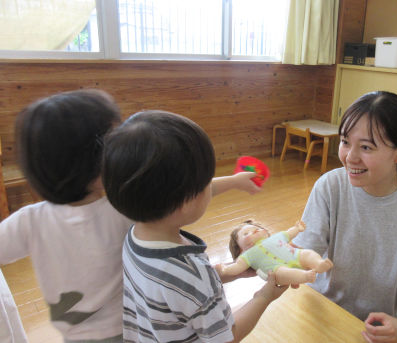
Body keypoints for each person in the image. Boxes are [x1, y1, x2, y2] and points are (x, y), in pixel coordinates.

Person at [0, 90, 260, 343]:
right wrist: (234, 182)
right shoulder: (118, 206)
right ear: (101, 161)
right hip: (133, 326)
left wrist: (234, 181)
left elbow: (184, 193)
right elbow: (182, 195)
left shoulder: (28, 219)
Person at [102, 110, 288, 343]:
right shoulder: (192, 274)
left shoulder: (135, 237)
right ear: (185, 201)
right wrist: (264, 296)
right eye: (204, 182)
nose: (209, 187)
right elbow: (227, 337)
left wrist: (234, 181)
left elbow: (181, 295)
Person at [292, 91, 397, 343]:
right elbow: (303, 251)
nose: (350, 157)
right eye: (345, 141)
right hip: (324, 310)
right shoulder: (330, 186)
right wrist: (271, 255)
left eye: (366, 147)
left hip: (385, 326)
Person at [222, 219, 333, 284]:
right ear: (240, 249)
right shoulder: (246, 256)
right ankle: (305, 276)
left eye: (255, 228)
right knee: (282, 273)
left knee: (307, 253)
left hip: (295, 255)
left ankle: (319, 264)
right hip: (276, 269)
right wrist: (225, 270)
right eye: (246, 234)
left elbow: (289, 233)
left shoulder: (274, 238)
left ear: (265, 232)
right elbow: (237, 267)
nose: (253, 231)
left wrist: (297, 229)